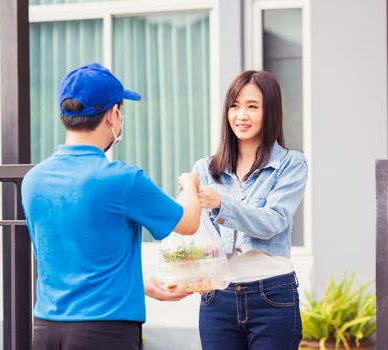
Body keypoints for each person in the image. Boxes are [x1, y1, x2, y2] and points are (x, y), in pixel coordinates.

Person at [21, 63, 202, 350]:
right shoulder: (123, 179)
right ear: (112, 114)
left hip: (45, 329)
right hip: (105, 332)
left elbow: (69, 259)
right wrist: (191, 183)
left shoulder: (33, 181)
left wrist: (136, 283)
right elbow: (189, 221)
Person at [193, 70, 307, 349]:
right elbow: (197, 233)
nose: (241, 115)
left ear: (270, 112)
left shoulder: (291, 164)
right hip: (216, 298)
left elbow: (273, 220)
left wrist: (222, 204)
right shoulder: (205, 169)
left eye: (252, 106)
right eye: (234, 106)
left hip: (272, 296)